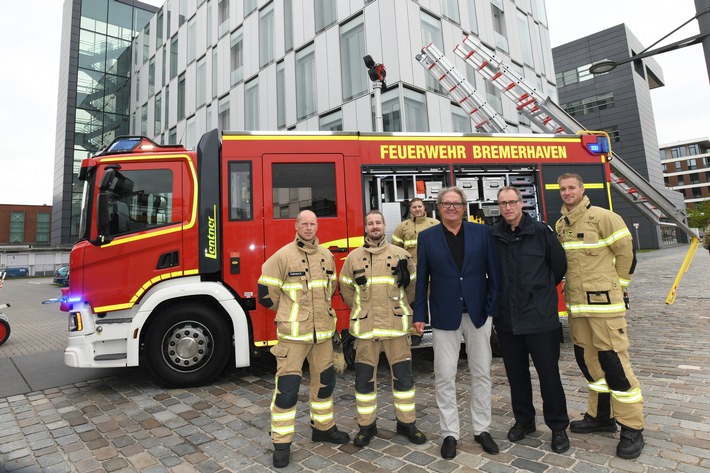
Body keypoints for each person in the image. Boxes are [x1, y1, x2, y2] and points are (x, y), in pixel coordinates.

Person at [555, 173, 644, 460]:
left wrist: (619, 287)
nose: (567, 192)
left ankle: (632, 427)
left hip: (605, 308)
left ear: (582, 189)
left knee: (614, 363)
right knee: (589, 363)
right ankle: (601, 417)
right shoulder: (561, 224)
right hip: (578, 307)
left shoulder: (604, 217)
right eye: (563, 189)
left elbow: (627, 253)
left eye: (572, 188)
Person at [257, 210, 350, 468]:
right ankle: (281, 442)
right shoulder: (282, 256)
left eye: (312, 224)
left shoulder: (327, 256)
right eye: (304, 224)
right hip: (293, 337)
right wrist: (290, 314)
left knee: (325, 383)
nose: (309, 228)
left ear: (317, 226)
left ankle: (323, 427)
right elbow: (266, 294)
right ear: (295, 226)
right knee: (287, 390)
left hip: (322, 335)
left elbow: (330, 291)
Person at [413, 187, 500, 459]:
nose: (452, 208)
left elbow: (494, 274)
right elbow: (422, 279)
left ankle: (481, 429)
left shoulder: (482, 233)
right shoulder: (426, 238)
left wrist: (489, 309)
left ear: (465, 207)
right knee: (445, 375)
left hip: (477, 316)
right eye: (446, 204)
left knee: (482, 373)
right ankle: (450, 433)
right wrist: (419, 315)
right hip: (443, 316)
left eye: (457, 203)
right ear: (438, 208)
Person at [490, 186, 570, 453]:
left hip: (539, 319)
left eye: (512, 202)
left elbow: (558, 267)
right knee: (517, 376)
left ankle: (558, 427)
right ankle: (524, 421)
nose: (508, 208)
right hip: (508, 320)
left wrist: (540, 295)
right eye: (503, 204)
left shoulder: (541, 232)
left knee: (549, 376)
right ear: (499, 207)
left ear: (521, 203)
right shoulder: (494, 235)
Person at [339, 210, 427, 448]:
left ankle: (406, 423)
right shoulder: (353, 258)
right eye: (370, 223)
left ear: (384, 226)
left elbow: (412, 289)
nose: (375, 226)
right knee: (364, 382)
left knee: (404, 380)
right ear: (365, 228)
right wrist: (362, 307)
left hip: (396, 329)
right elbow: (346, 290)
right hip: (366, 331)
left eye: (378, 222)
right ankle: (366, 427)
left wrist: (400, 308)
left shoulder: (401, 255)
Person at [391, 198, 439, 262]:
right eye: (414, 207)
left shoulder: (436, 224)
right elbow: (395, 248)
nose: (417, 209)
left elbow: (444, 245)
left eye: (420, 206)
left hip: (432, 264)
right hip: (412, 266)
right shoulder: (402, 227)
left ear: (424, 207)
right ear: (410, 209)